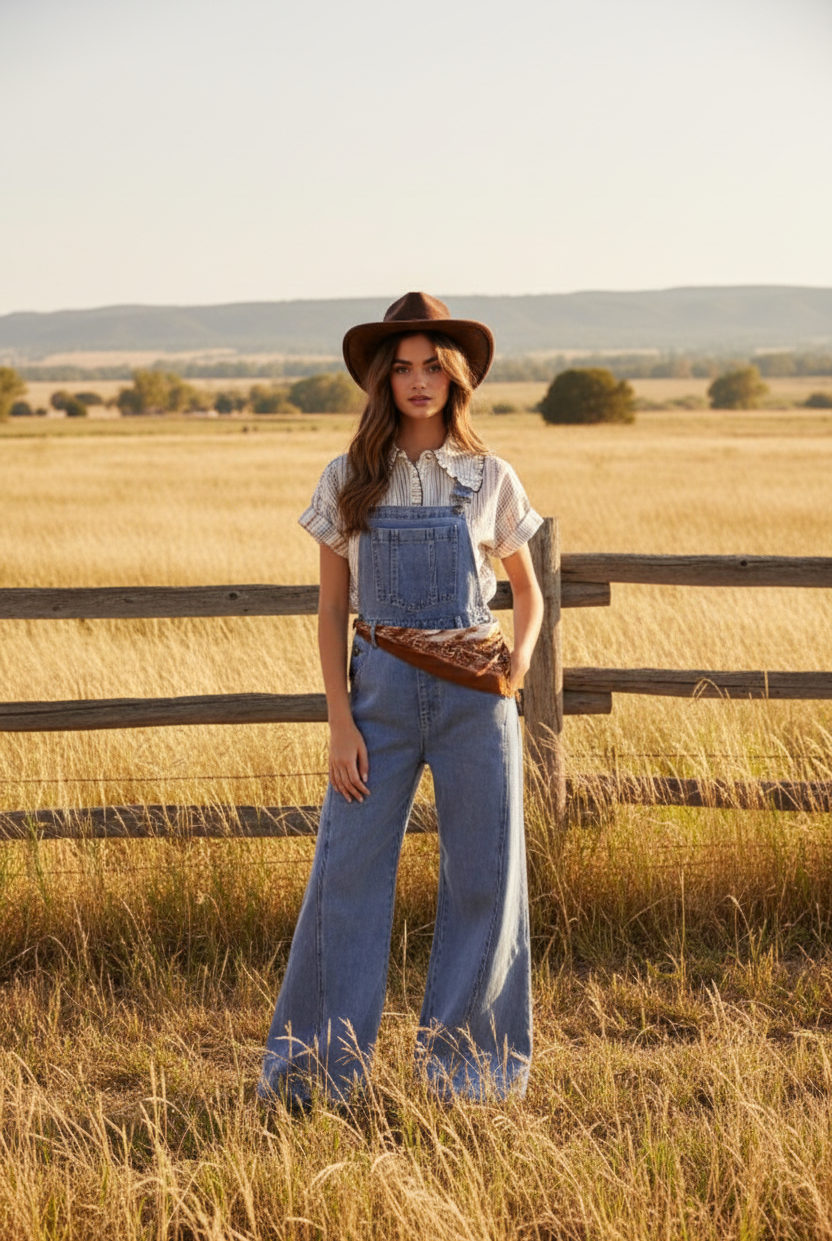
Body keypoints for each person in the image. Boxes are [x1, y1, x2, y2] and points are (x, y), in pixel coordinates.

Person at [258, 292, 544, 1108]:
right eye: (403, 368)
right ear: (383, 381)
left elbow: (527, 593)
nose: (418, 382)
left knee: (484, 879)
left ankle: (471, 1079)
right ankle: (314, 1077)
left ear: (455, 378)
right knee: (344, 874)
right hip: (375, 700)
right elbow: (330, 611)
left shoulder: (491, 476)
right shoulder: (348, 478)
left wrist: (517, 662)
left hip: (475, 705)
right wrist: (339, 721)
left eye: (432, 367)